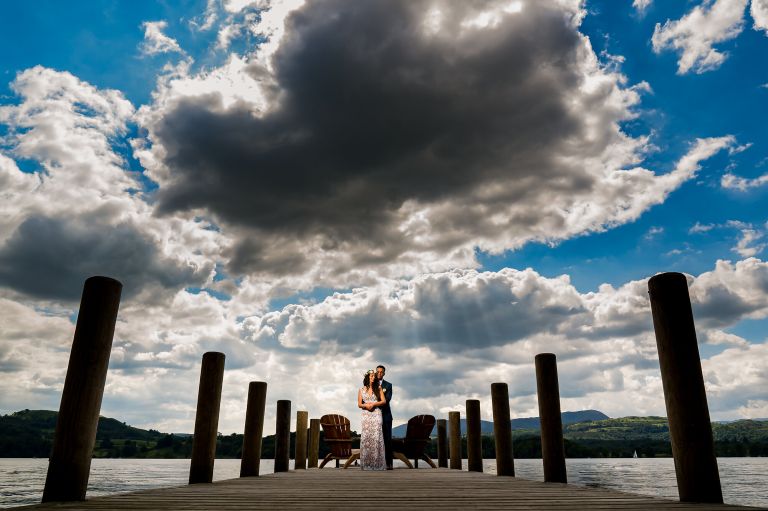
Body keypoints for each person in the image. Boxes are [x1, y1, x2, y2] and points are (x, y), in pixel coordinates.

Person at [357, 369, 386, 470]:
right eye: (371, 376)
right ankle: (366, 464)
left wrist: (374, 404)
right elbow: (359, 404)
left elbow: (383, 401)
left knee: (376, 437)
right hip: (366, 415)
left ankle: (377, 464)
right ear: (367, 377)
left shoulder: (378, 388)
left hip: (376, 414)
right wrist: (366, 405)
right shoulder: (361, 390)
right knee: (366, 437)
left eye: (374, 376)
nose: (373, 377)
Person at [376, 365, 394, 470]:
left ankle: (389, 464)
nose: (379, 373)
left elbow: (387, 399)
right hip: (373, 416)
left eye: (381, 372)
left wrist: (373, 404)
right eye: (377, 371)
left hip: (386, 415)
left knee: (387, 439)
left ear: (384, 373)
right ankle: (376, 462)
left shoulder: (389, 385)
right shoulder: (370, 384)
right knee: (375, 439)